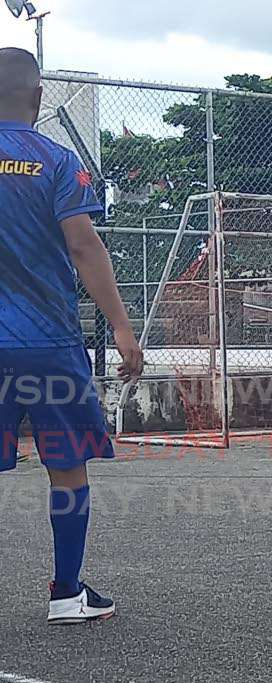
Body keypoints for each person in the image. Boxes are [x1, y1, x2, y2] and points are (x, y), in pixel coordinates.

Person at [0, 47, 144, 623]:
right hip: (48, 343)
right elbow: (84, 246)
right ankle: (66, 592)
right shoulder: (57, 160)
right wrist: (122, 327)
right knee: (66, 463)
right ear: (38, 98)